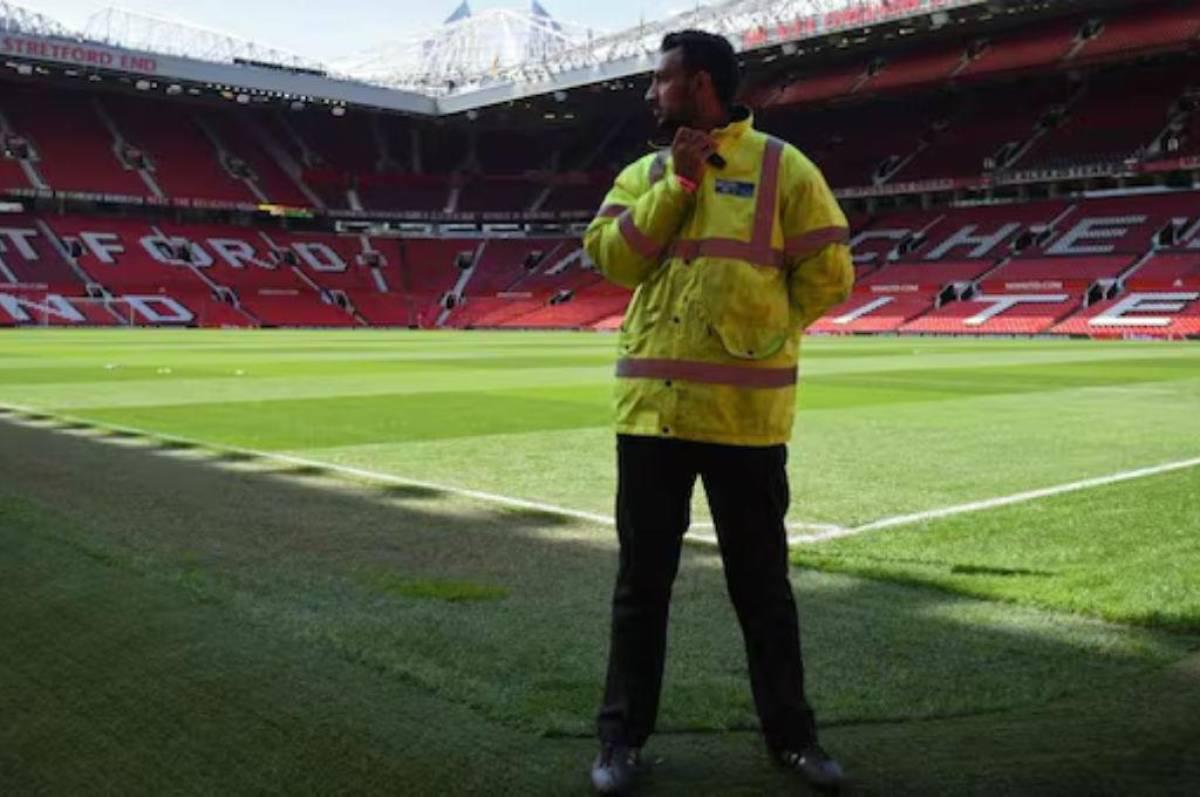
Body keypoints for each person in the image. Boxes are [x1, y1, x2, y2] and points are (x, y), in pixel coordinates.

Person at [582, 29, 854, 794]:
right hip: (652, 417)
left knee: (763, 588)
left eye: (660, 79)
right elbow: (613, 259)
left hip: (744, 420)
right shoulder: (642, 171)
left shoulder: (784, 168)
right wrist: (677, 185)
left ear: (697, 83)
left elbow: (829, 273)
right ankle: (619, 740)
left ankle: (793, 738)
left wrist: (762, 334)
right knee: (642, 587)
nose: (649, 92)